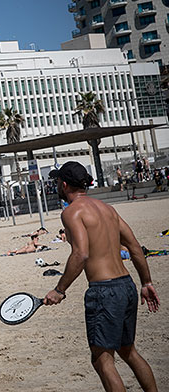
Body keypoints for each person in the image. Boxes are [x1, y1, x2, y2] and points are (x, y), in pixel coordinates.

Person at [44, 161, 160, 391]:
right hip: (126, 285)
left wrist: (59, 290)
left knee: (101, 359)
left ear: (64, 184)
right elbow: (135, 248)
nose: (58, 185)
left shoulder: (71, 212)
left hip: (104, 291)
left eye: (58, 182)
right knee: (129, 351)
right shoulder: (108, 209)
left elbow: (81, 253)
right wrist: (146, 282)